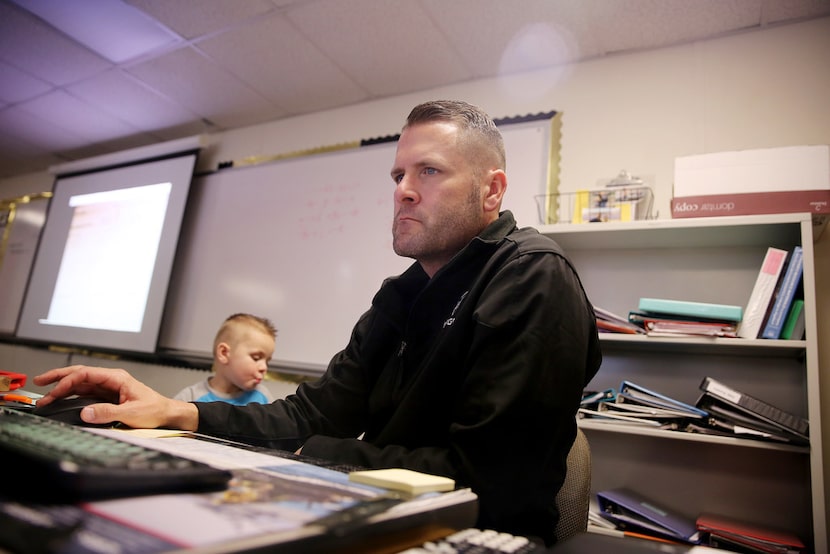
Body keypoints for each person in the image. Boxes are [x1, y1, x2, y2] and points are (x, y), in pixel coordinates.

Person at [34, 100, 601, 546]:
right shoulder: (401, 297)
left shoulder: (532, 277)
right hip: (382, 510)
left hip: (470, 533)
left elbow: (492, 481)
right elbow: (315, 412)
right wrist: (176, 410)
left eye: (429, 171)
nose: (403, 189)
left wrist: (314, 457)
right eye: (398, 173)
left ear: (492, 190)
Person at [173, 313, 277, 405]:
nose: (264, 367)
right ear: (224, 353)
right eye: (256, 358)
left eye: (267, 361)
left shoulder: (264, 398)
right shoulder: (190, 398)